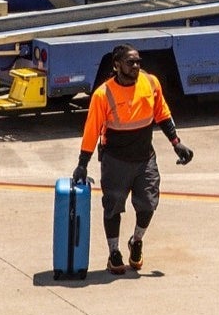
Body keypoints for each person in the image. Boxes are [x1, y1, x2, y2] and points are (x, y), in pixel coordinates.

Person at [72, 45, 193, 276]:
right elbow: (91, 129)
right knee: (113, 207)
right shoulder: (103, 94)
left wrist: (176, 143)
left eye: (138, 61)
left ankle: (136, 241)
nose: (136, 66)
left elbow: (163, 113)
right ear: (116, 65)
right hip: (115, 160)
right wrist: (82, 163)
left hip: (144, 158)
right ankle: (114, 252)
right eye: (130, 62)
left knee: (148, 204)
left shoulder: (151, 83)